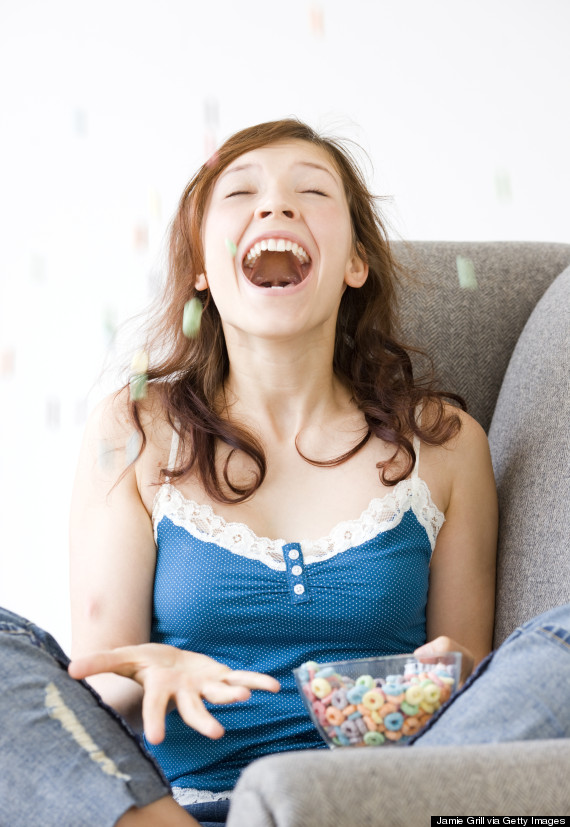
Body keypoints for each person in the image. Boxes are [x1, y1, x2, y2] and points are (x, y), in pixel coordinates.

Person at [66, 118, 498, 824]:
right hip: (181, 810)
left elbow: (471, 708)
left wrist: (462, 673)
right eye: (241, 192)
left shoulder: (446, 444)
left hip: (370, 804)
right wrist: (152, 664)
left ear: (355, 261)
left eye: (311, 190)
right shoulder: (134, 427)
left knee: (558, 645)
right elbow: (96, 678)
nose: (274, 206)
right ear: (203, 265)